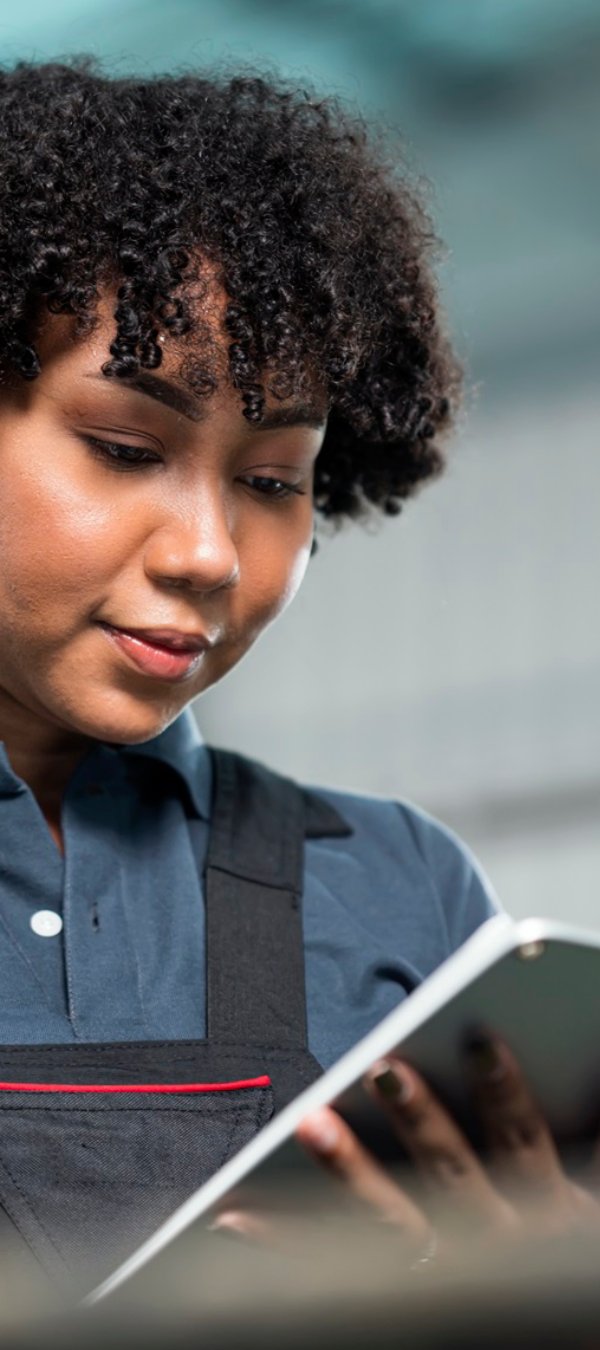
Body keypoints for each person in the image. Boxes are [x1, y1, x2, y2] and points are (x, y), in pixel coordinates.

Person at [0, 58, 595, 1292]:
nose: (211, 556)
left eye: (274, 481)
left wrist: (543, 1294)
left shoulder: (398, 888)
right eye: (124, 448)